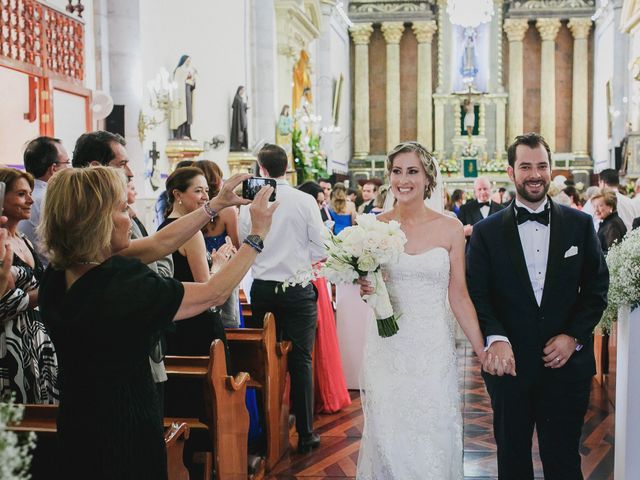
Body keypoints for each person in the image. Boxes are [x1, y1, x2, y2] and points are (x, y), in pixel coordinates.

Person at [37, 166, 276, 479]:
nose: (132, 213)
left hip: (78, 421)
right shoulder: (122, 286)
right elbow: (213, 293)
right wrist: (256, 236)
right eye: (123, 208)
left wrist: (215, 204)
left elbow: (160, 243)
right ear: (96, 222)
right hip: (125, 429)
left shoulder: (57, 276)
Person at [466, 133, 609, 480]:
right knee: (513, 463)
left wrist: (573, 337)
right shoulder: (485, 233)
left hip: (566, 367)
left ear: (550, 169)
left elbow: (596, 288)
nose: (535, 174)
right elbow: (477, 293)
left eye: (541, 166)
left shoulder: (580, 224)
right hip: (509, 368)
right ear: (511, 171)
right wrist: (496, 336)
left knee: (563, 462)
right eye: (526, 166)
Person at [356, 141, 488, 478]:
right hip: (388, 347)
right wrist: (368, 288)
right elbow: (369, 285)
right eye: (397, 171)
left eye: (412, 171)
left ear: (428, 178)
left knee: (432, 431)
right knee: (388, 434)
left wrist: (482, 349)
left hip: (432, 348)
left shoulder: (451, 229)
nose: (404, 179)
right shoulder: (374, 226)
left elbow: (459, 295)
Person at [238, 144, 326, 453]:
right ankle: (305, 434)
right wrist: (298, 254)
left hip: (262, 289)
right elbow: (322, 248)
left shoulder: (249, 204)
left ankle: (265, 434)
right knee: (300, 360)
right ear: (287, 167)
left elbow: (244, 246)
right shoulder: (304, 200)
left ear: (260, 169)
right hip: (297, 289)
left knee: (264, 359)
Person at [158, 167, 233, 358]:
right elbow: (206, 287)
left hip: (177, 319)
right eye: (198, 191)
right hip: (198, 322)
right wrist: (219, 265)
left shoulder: (164, 227)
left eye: (207, 190)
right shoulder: (191, 232)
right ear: (177, 194)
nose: (205, 196)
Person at [0, 168, 58, 404]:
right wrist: (51, 289)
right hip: (8, 341)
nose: (31, 200)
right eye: (22, 194)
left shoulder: (22, 239)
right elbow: (5, 302)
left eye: (30, 193)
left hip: (37, 339)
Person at [298, 184, 351, 414]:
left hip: (307, 273)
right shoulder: (309, 213)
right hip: (313, 273)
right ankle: (322, 392)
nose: (322, 205)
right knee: (319, 335)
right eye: (319, 201)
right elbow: (321, 250)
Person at [193, 160, 241, 328]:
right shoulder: (228, 210)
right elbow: (236, 246)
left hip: (194, 272)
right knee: (226, 323)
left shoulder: (191, 210)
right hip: (223, 274)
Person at [19, 136, 71, 265]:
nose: (70, 168)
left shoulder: (20, 197)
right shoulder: (52, 200)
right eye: (67, 163)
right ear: (54, 169)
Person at [457, 176, 504, 246]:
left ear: (490, 189)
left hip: (496, 252)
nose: (482, 192)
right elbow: (456, 232)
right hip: (473, 252)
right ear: (475, 192)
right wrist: (464, 231)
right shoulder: (465, 209)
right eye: (479, 189)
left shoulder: (501, 209)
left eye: (485, 189)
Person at [170, 55, 197, 139]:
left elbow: (192, 85)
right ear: (183, 61)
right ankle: (180, 134)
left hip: (188, 95)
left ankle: (187, 133)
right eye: (187, 61)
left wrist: (193, 81)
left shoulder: (189, 71)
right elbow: (177, 82)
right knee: (181, 114)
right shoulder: (179, 70)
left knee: (188, 114)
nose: (189, 62)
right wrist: (186, 80)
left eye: (189, 61)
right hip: (181, 97)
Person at [230, 86, 249, 151]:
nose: (243, 92)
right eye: (242, 90)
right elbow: (238, 109)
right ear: (239, 90)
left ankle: (241, 146)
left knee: (242, 133)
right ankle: (238, 146)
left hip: (241, 119)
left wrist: (245, 106)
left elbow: (242, 108)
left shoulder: (240, 99)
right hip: (238, 120)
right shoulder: (237, 98)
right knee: (238, 133)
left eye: (243, 91)